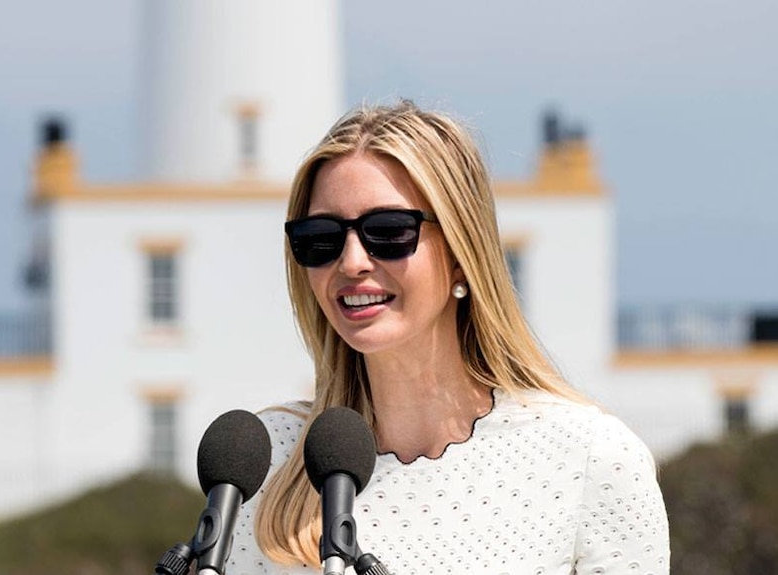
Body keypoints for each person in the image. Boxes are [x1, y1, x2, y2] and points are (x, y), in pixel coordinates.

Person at [226, 101, 670, 574]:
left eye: (389, 231)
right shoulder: (263, 462)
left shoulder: (590, 459)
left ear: (462, 253)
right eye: (321, 238)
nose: (351, 262)